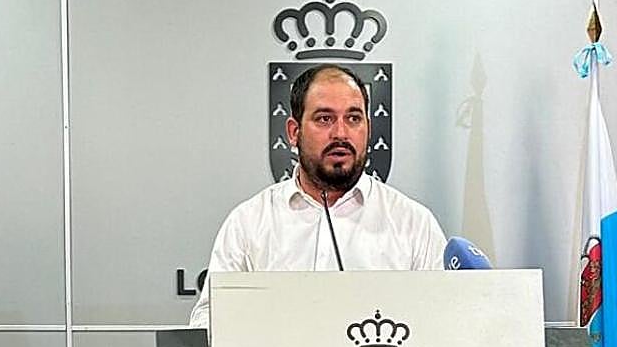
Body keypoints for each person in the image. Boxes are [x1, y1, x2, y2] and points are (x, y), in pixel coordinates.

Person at [189, 63, 446, 328]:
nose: (341, 133)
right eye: (325, 118)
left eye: (354, 118)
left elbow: (442, 320)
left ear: (368, 128)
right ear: (294, 132)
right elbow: (208, 320)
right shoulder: (249, 223)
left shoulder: (414, 225)